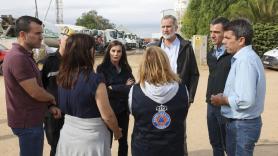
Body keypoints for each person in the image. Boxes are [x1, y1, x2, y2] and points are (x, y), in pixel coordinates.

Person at [2, 15, 61, 156]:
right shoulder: (18, 57)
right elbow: (35, 92)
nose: (41, 37)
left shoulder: (25, 55)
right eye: (37, 33)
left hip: (30, 119)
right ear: (23, 34)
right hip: (27, 122)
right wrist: (52, 98)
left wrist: (48, 106)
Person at [55, 33, 122, 156]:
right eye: (93, 48)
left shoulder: (62, 76)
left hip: (67, 136)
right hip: (90, 140)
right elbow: (107, 115)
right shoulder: (95, 79)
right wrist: (117, 132)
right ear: (87, 52)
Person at [211, 19, 266, 156]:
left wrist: (222, 100)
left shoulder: (245, 61)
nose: (223, 41)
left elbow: (245, 100)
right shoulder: (244, 58)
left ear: (241, 40)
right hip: (241, 125)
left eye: (228, 38)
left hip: (242, 126)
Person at [151, 14, 199, 155]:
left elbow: (194, 74)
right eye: (163, 27)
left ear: (176, 27)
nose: (166, 29)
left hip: (179, 96)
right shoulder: (154, 48)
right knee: (158, 129)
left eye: (169, 26)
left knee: (179, 131)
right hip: (157, 96)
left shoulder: (186, 47)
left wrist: (189, 98)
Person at [129, 46, 189, 156]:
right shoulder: (182, 89)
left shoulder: (135, 91)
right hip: (173, 149)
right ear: (166, 63)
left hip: (144, 149)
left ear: (144, 65)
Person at [41, 26, 75, 156]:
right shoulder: (49, 61)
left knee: (71, 147)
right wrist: (49, 106)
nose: (69, 45)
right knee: (55, 146)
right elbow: (41, 86)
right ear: (60, 41)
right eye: (67, 41)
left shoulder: (75, 63)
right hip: (54, 113)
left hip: (72, 113)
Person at [97, 40, 134, 156]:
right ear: (109, 52)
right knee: (107, 143)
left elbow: (132, 87)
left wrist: (114, 88)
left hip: (123, 111)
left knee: (123, 143)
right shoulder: (101, 69)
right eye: (113, 51)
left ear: (122, 53)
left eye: (119, 51)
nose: (116, 54)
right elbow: (104, 91)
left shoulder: (126, 68)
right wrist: (124, 86)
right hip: (108, 111)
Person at [206, 17, 231, 156]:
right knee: (215, 143)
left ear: (226, 32)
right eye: (211, 31)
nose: (212, 35)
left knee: (229, 144)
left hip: (226, 105)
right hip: (211, 104)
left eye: (216, 31)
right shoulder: (211, 53)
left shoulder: (233, 54)